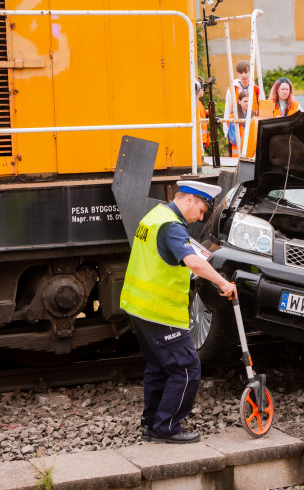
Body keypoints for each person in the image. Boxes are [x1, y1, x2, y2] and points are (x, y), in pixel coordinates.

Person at [120, 181, 237, 444]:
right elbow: (192, 261)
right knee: (186, 367)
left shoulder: (156, 216)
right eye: (202, 208)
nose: (202, 215)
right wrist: (222, 282)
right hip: (160, 312)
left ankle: (151, 424)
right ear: (188, 200)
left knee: (159, 368)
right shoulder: (171, 226)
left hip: (139, 306)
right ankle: (167, 427)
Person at [223, 61, 261, 155]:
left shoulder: (256, 89)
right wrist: (226, 132)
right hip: (236, 127)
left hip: (253, 125)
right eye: (241, 72)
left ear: (250, 72)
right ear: (238, 73)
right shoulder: (232, 89)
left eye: (246, 72)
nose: (244, 75)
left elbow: (261, 111)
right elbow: (227, 111)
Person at [228, 90, 255, 158]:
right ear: (239, 101)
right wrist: (247, 142)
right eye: (245, 101)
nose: (247, 103)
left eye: (249, 101)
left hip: (251, 153)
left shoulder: (254, 115)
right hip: (237, 153)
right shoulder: (234, 116)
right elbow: (233, 138)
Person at [195, 79, 209, 154]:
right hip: (199, 138)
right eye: (202, 87)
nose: (203, 89)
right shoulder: (196, 102)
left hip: (202, 138)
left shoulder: (199, 102)